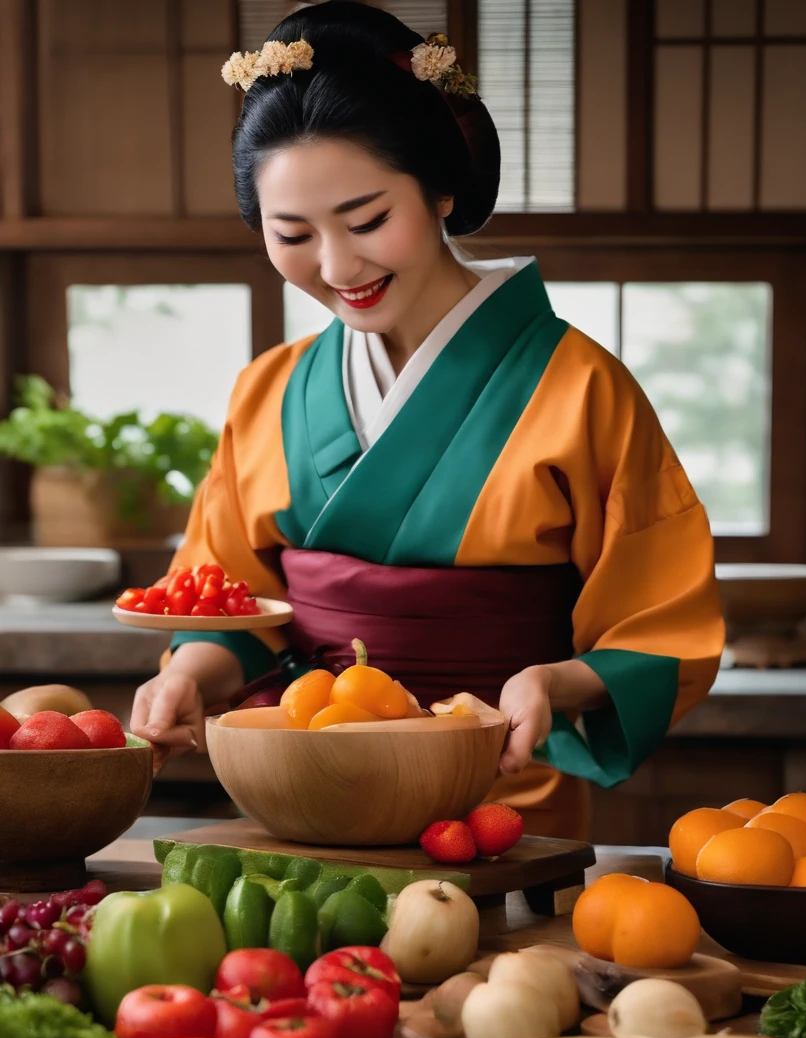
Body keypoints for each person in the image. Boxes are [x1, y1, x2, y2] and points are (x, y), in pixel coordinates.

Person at [131, 1, 724, 839]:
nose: (338, 267)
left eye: (369, 220)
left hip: (498, 806)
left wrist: (554, 684)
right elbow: (238, 601)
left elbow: (662, 626)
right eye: (293, 233)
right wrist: (194, 669)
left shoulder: (582, 387)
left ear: (442, 186)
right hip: (300, 790)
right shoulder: (269, 390)